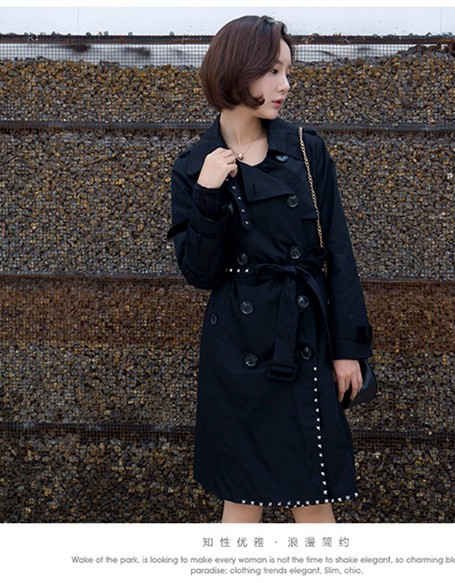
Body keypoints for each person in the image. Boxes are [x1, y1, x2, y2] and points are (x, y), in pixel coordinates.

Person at [168, 15, 372, 523]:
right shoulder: (193, 166)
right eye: (273, 71)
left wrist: (348, 349)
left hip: (303, 337)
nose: (285, 85)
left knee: (313, 496)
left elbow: (339, 254)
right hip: (235, 350)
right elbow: (199, 273)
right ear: (237, 71)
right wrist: (208, 193)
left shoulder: (305, 148)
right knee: (240, 499)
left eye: (287, 71)